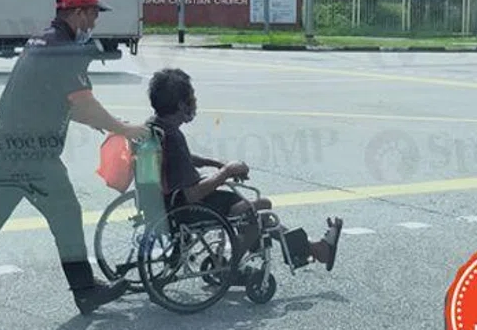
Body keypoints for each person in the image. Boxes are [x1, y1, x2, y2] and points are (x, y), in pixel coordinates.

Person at [0, 0, 150, 322]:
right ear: (77, 13)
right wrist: (124, 129)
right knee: (66, 213)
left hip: (0, 148)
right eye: (93, 14)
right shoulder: (65, 49)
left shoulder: (41, 41)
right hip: (30, 155)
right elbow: (83, 102)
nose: (94, 23)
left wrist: (105, 122)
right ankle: (85, 291)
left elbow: (67, 103)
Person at [145, 67, 343, 272]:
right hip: (187, 209)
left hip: (166, 203)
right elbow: (192, 195)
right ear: (180, 105)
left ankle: (316, 250)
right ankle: (229, 268)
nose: (194, 102)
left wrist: (214, 163)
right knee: (261, 208)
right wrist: (226, 172)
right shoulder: (173, 138)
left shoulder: (155, 128)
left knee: (258, 215)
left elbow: (178, 162)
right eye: (191, 97)